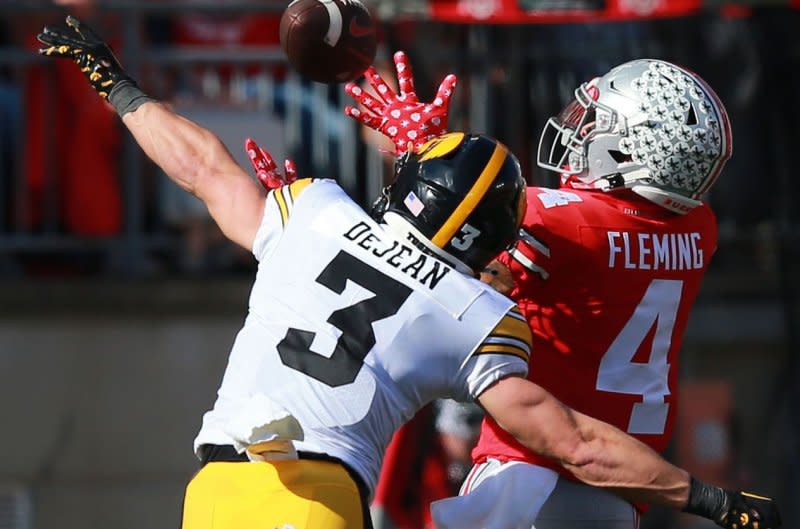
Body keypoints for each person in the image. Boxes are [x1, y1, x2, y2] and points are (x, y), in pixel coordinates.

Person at [37, 18, 780, 529]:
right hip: (607, 486)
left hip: (238, 490)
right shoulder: (696, 231)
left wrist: (117, 85)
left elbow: (206, 168)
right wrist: (710, 498)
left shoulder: (316, 213)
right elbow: (507, 235)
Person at [345, 51, 781, 529]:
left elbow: (424, 265)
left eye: (599, 124)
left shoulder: (553, 221)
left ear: (632, 149)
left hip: (524, 479)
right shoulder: (699, 230)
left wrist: (423, 154)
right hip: (621, 487)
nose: (583, 131)